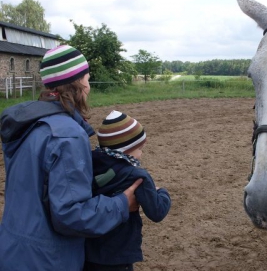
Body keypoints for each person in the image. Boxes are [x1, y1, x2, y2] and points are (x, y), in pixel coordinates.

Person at [0, 45, 142, 271]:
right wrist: (123, 204)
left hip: (13, 251)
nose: (88, 84)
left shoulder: (29, 125)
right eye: (86, 77)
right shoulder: (67, 134)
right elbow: (71, 215)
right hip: (46, 260)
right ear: (78, 83)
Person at [84, 110, 171, 271]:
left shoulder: (89, 163)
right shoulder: (137, 176)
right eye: (140, 149)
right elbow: (157, 212)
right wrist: (162, 192)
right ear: (126, 150)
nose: (141, 154)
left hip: (88, 249)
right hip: (119, 252)